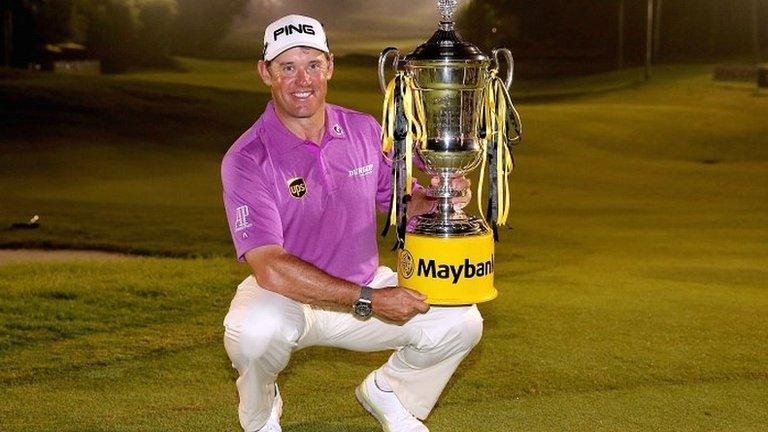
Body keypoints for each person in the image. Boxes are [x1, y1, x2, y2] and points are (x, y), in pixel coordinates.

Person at [221, 14, 483, 432]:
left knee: (461, 322)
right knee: (254, 334)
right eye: (287, 67)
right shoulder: (247, 158)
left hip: (363, 289)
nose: (301, 79)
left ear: (330, 66)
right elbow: (268, 266)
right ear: (265, 73)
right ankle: (260, 417)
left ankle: (391, 393)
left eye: (312, 64)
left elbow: (399, 204)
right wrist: (371, 300)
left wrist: (437, 197)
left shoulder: (363, 130)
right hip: (290, 298)